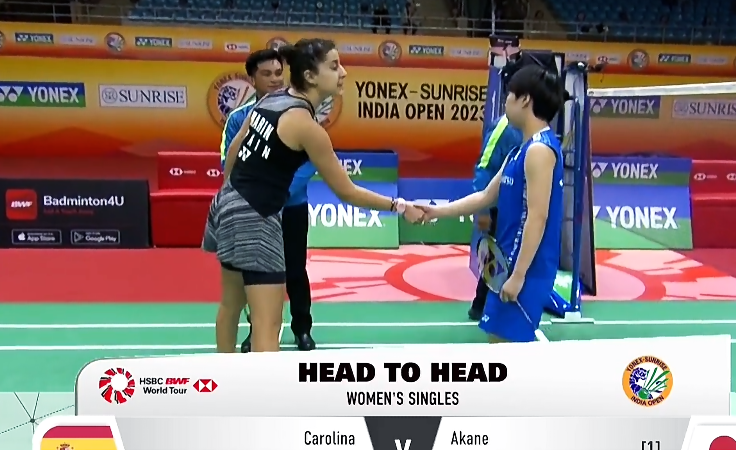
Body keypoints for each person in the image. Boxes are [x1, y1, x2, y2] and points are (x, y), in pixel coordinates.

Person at [205, 38, 424, 353]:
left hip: (227, 204)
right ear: (309, 76)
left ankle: (221, 376)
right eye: (334, 66)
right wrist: (400, 206)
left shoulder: (271, 99)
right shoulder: (308, 128)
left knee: (231, 305)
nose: (343, 73)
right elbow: (347, 192)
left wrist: (232, 191)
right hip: (257, 216)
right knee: (267, 325)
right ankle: (262, 387)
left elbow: (236, 146)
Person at [415, 64, 566, 343]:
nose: (506, 101)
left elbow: (538, 217)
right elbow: (485, 196)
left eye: (510, 95)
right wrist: (436, 211)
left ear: (525, 100)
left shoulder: (539, 151)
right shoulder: (519, 151)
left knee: (506, 351)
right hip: (505, 266)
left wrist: (518, 276)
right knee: (499, 345)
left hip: (525, 270)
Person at [221, 49, 317, 352]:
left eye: (278, 73)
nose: (275, 79)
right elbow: (229, 161)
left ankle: (302, 328)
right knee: (257, 275)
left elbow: (310, 162)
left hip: (291, 207)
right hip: (256, 211)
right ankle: (258, 332)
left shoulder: (300, 112)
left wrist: (281, 192)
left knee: (296, 270)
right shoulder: (238, 118)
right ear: (252, 79)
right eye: (267, 74)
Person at [467, 111, 522, 321]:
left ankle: (510, 305)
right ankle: (480, 305)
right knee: (496, 256)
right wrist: (482, 210)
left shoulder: (535, 129)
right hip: (500, 206)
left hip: (521, 206)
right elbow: (485, 166)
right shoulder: (504, 126)